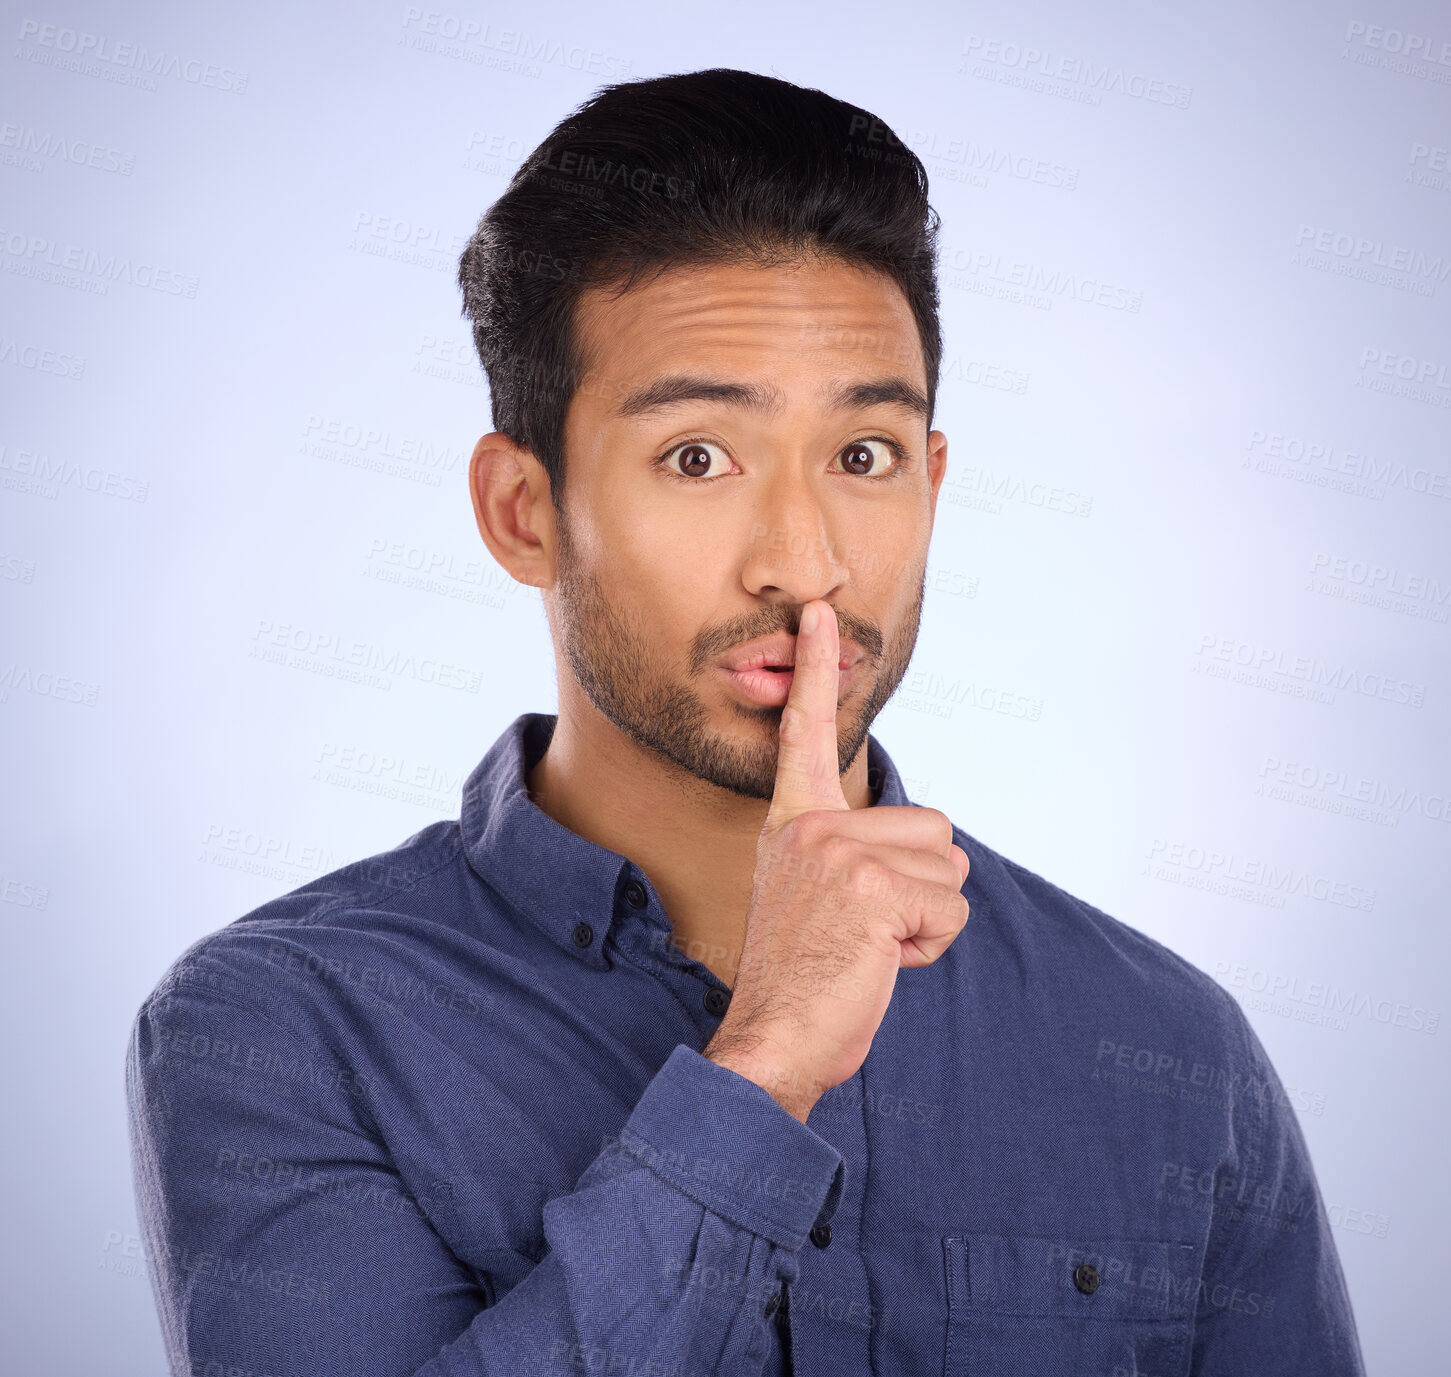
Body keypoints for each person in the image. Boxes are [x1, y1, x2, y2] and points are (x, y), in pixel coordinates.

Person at [125, 68, 1366, 1377]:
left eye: (864, 456)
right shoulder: (284, 1027)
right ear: (522, 511)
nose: (803, 561)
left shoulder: (1170, 1048)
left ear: (933, 484)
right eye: (698, 457)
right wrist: (761, 1068)